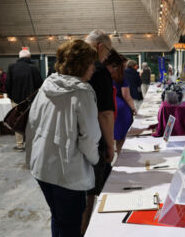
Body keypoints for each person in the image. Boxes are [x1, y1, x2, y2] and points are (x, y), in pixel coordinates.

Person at [25, 39, 100, 237]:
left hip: (42, 166)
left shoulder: (47, 85)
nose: (94, 68)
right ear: (82, 65)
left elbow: (32, 124)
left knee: (58, 219)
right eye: (92, 63)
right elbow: (90, 137)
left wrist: (31, 158)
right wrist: (95, 160)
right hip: (67, 172)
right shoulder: (82, 92)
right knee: (71, 225)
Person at [81, 30, 114, 236]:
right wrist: (111, 146)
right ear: (100, 46)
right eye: (108, 51)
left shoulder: (61, 71)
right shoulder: (99, 71)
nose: (107, 57)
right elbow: (105, 114)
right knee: (89, 196)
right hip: (91, 143)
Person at [5, 50, 43, 151]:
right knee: (31, 121)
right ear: (29, 57)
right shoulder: (33, 68)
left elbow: (7, 84)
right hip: (31, 101)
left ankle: (20, 145)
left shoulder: (11, 67)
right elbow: (40, 85)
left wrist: (11, 96)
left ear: (19, 57)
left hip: (16, 99)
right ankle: (31, 144)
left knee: (17, 120)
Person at [107, 51, 136, 155]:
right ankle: (120, 157)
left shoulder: (105, 77)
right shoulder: (121, 78)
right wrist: (134, 108)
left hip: (108, 107)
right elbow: (126, 96)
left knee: (109, 136)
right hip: (121, 108)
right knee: (121, 138)